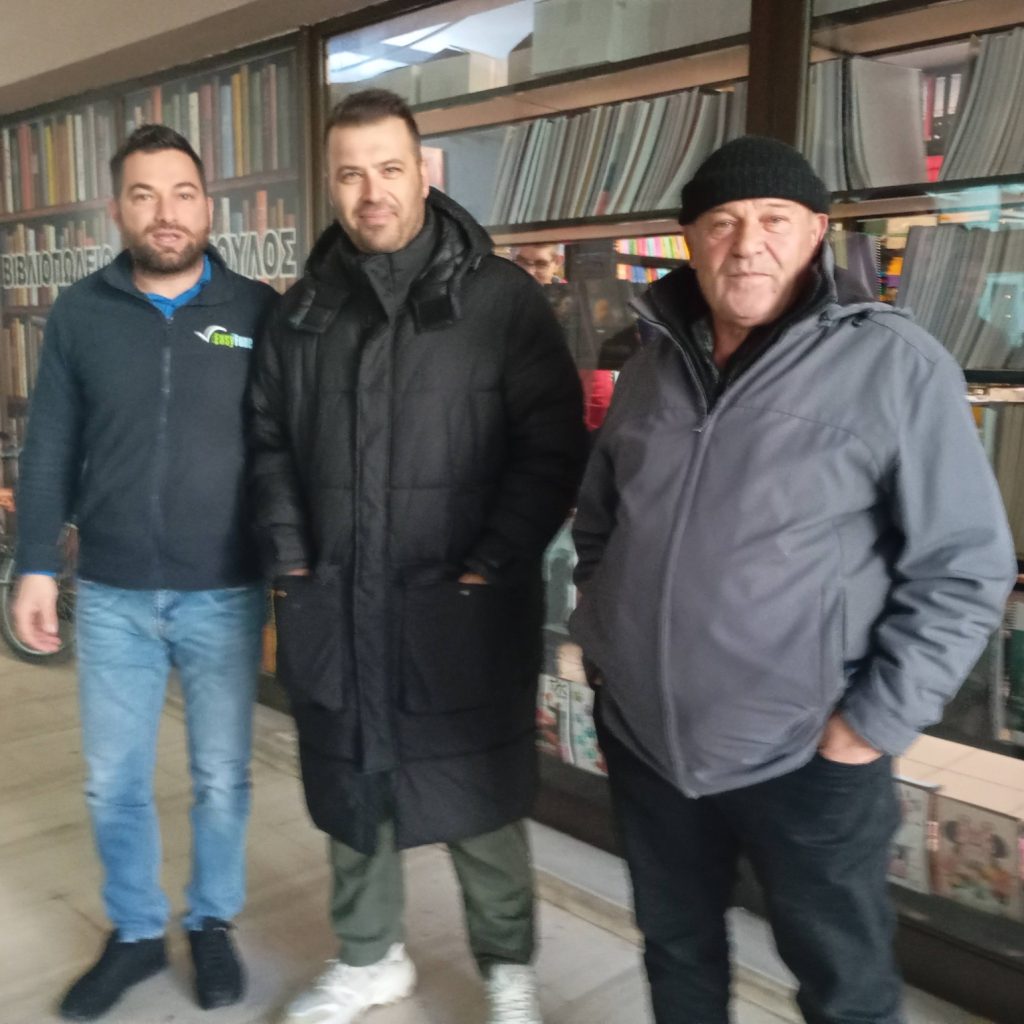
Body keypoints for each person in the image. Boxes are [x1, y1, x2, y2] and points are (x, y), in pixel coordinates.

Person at [569, 135, 1017, 1024]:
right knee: (677, 953)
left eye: (775, 220)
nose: (748, 244)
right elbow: (601, 520)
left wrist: (871, 725)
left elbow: (965, 564)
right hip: (650, 742)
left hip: (808, 753)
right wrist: (610, 649)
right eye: (723, 223)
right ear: (691, 240)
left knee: (844, 987)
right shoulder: (652, 364)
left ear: (816, 232)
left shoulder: (895, 364)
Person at [248, 89, 586, 1024]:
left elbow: (551, 444)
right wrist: (293, 560)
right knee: (352, 788)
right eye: (350, 174)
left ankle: (507, 968)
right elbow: (267, 440)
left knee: (479, 793)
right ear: (330, 183)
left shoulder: (500, 299)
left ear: (423, 172)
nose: (372, 192)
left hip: (460, 601)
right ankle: (369, 957)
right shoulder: (302, 310)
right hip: (335, 592)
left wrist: (493, 561)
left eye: (389, 169)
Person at [13, 124, 277, 1021]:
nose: (166, 212)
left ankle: (211, 920)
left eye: (182, 193)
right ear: (117, 209)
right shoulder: (80, 314)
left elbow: (285, 447)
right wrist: (35, 565)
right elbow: (49, 447)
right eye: (144, 194)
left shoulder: (258, 310)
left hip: (225, 589)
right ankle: (134, 931)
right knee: (112, 779)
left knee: (221, 776)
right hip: (114, 593)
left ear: (208, 206)